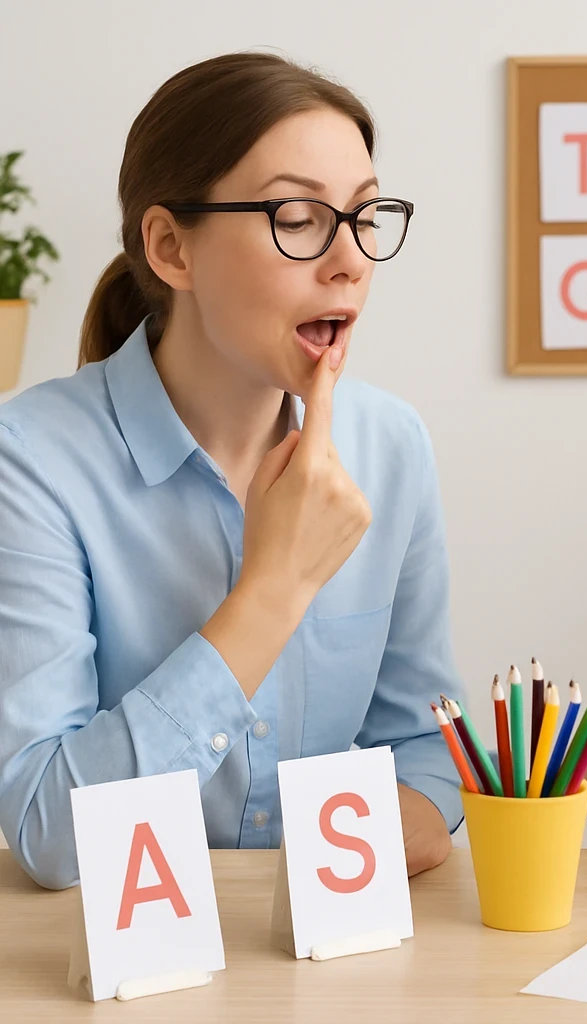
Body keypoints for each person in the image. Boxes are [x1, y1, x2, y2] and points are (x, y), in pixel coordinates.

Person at [0, 52, 464, 889]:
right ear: (172, 247)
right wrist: (274, 592)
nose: (350, 262)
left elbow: (425, 744)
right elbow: (48, 831)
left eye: (363, 217)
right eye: (298, 218)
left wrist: (334, 880)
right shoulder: (29, 460)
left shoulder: (392, 446)